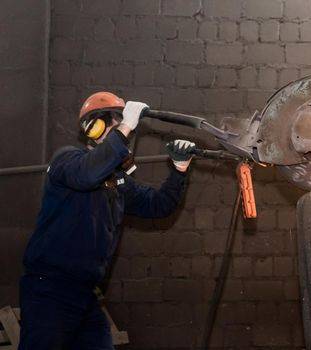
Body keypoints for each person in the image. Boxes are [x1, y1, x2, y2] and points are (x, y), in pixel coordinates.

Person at [18, 92, 195, 350]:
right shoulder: (66, 161)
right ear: (96, 127)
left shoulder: (117, 182)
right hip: (49, 292)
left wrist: (179, 171)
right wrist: (125, 127)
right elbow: (88, 174)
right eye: (120, 124)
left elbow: (159, 205)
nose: (128, 137)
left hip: (86, 296)